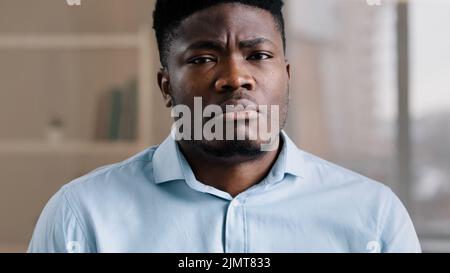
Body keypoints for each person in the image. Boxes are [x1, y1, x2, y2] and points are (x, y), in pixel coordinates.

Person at [28, 0, 421, 253]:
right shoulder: (81, 215)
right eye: (202, 59)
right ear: (166, 86)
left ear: (286, 76)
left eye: (258, 55)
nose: (235, 77)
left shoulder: (373, 216)